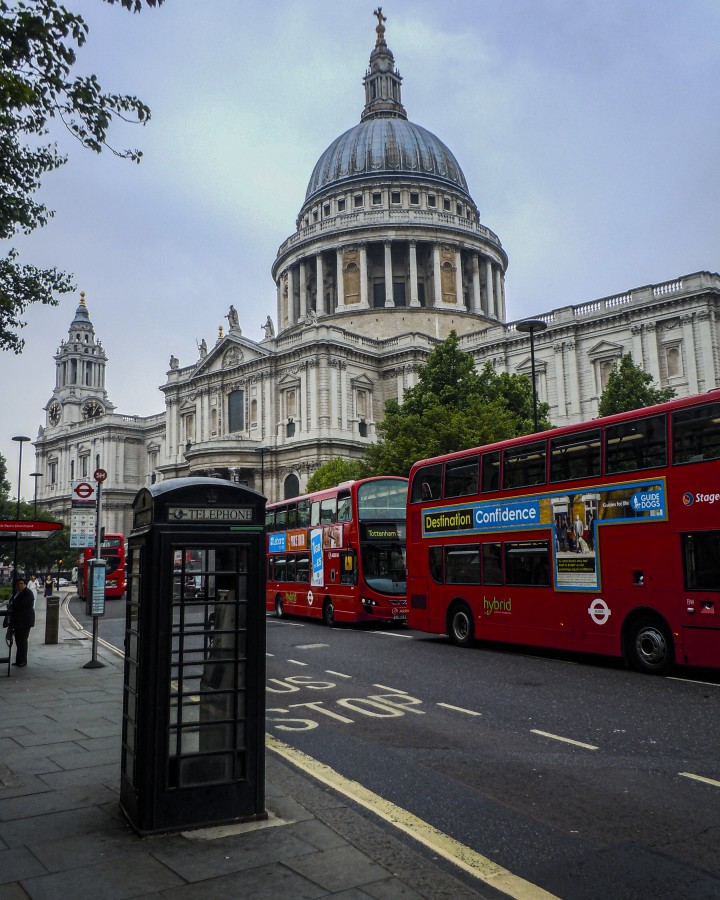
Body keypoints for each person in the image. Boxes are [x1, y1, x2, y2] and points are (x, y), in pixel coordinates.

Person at [6, 578, 35, 667]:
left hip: (25, 621)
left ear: (25, 584)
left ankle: (23, 661)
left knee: (22, 641)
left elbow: (22, 604)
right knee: (18, 641)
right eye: (18, 584)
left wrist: (12, 605)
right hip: (18, 621)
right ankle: (19, 660)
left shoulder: (28, 593)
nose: (20, 585)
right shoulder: (17, 593)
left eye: (22, 583)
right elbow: (12, 602)